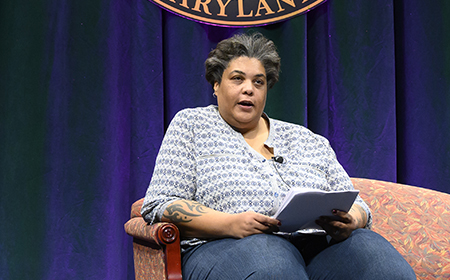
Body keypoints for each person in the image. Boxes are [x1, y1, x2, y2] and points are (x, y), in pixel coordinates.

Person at [142, 33, 416, 280]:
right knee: (273, 265)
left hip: (317, 248)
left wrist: (351, 219)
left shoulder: (306, 138)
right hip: (223, 247)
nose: (248, 89)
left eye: (258, 82)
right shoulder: (192, 125)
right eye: (237, 79)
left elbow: (358, 204)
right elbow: (160, 204)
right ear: (216, 84)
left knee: (379, 260)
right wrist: (230, 223)